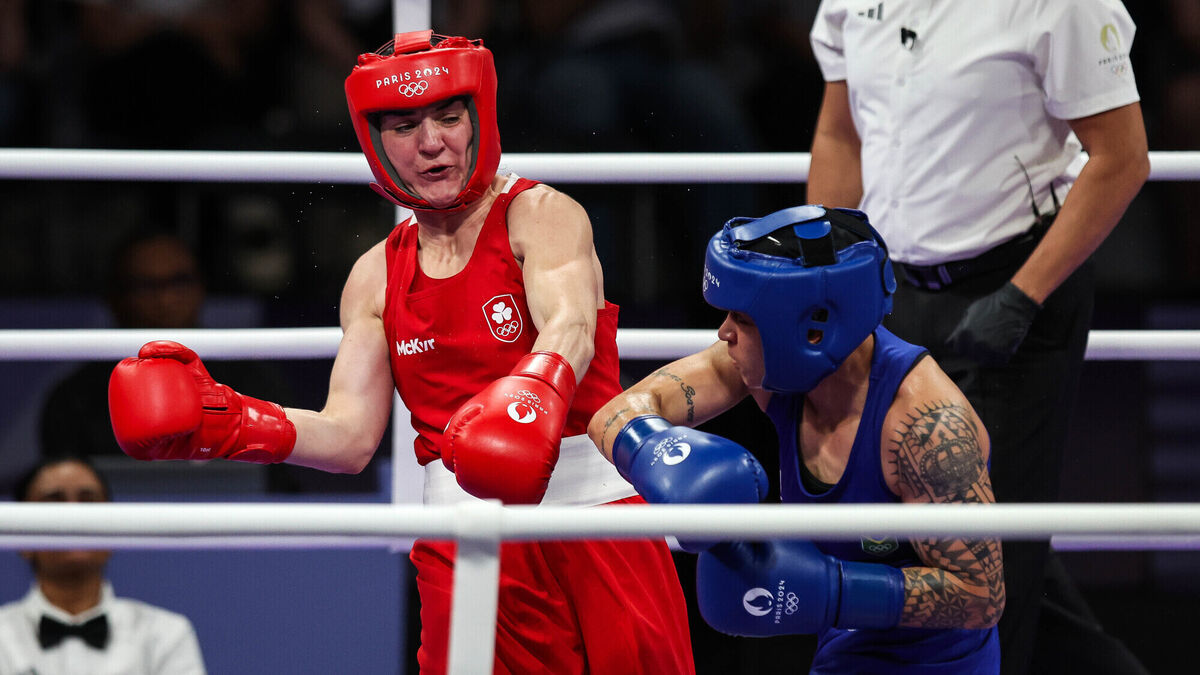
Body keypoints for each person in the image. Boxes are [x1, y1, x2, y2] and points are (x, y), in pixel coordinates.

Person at [105, 30, 694, 674]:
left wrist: (527, 401)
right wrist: (230, 422)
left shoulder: (541, 215)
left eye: (448, 118)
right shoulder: (375, 276)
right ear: (375, 142)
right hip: (464, 539)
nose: (431, 143)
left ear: (479, 120)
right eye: (405, 126)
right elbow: (348, 437)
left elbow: (571, 326)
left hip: (594, 517)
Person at [804, 2, 1151, 673]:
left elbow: (1122, 157)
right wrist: (823, 280)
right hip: (888, 293)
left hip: (1017, 285)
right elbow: (840, 135)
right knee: (923, 539)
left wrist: (1021, 297)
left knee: (983, 565)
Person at [588, 205, 1005, 673]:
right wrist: (658, 452)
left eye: (743, 318)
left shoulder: (927, 428)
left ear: (812, 330)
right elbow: (614, 414)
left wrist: (832, 589)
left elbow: (981, 596)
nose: (724, 333)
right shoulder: (768, 370)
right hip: (844, 651)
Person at [0, 456, 206, 674]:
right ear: (21, 533)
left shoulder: (165, 634)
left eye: (88, 502)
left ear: (112, 529)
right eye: (54, 502)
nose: (74, 517)